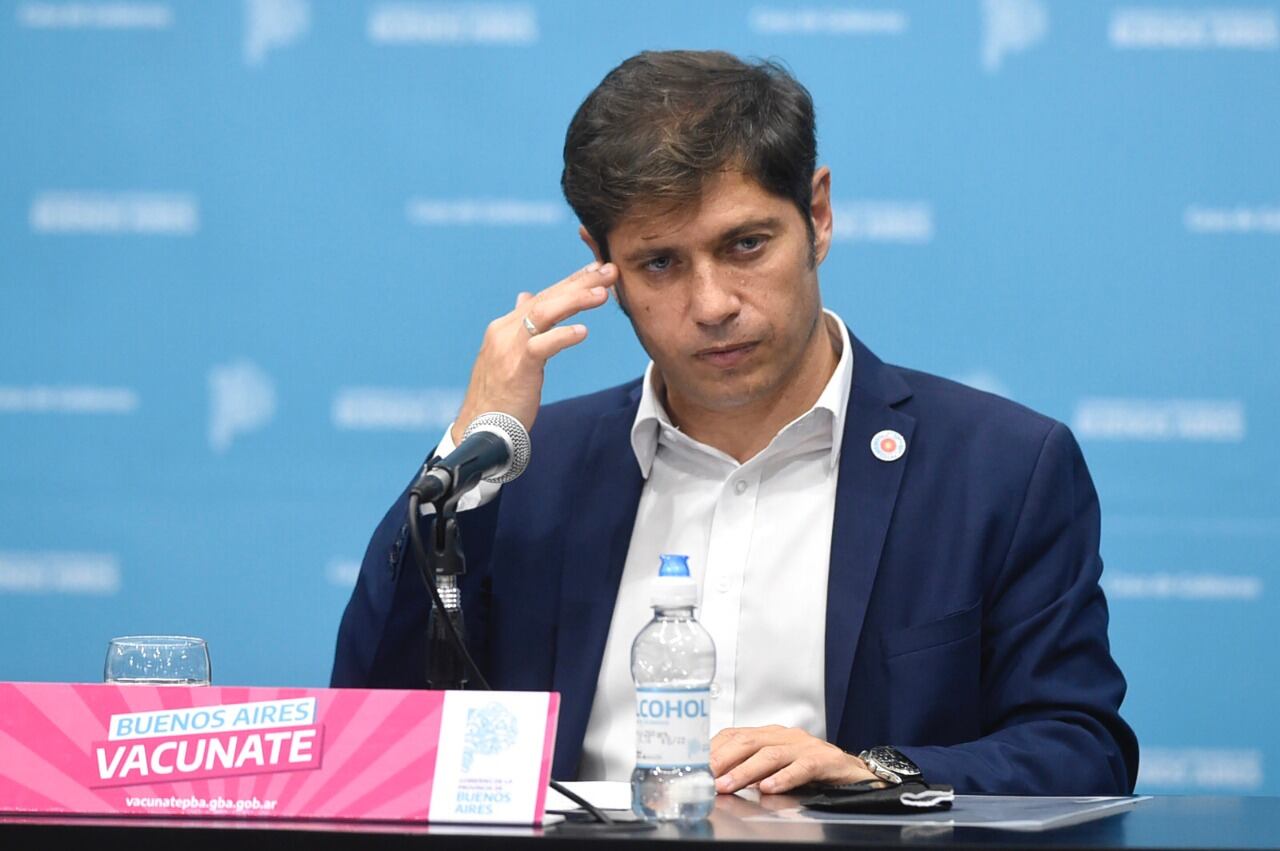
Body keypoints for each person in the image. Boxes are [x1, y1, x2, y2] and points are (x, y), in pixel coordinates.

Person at [332, 50, 1138, 796]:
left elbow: (1080, 748)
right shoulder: (530, 472)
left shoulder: (1000, 468)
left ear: (816, 215)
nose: (712, 304)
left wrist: (872, 771)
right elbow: (368, 731)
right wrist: (472, 447)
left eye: (746, 244)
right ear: (600, 261)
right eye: (660, 263)